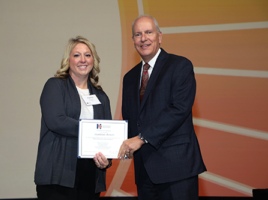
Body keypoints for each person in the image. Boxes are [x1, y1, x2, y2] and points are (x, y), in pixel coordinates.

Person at [118, 15, 206, 200]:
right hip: (144, 171)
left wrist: (141, 139)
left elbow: (178, 109)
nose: (144, 38)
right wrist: (113, 149)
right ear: (133, 40)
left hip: (176, 169)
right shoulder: (129, 77)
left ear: (159, 36)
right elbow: (130, 119)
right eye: (138, 34)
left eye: (149, 32)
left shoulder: (180, 66)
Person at [34, 36, 112, 200]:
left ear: (93, 60)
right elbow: (56, 121)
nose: (83, 60)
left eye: (87, 55)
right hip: (58, 173)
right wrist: (93, 130)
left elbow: (107, 133)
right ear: (68, 59)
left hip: (90, 175)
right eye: (77, 55)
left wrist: (107, 159)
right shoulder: (55, 85)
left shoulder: (101, 96)